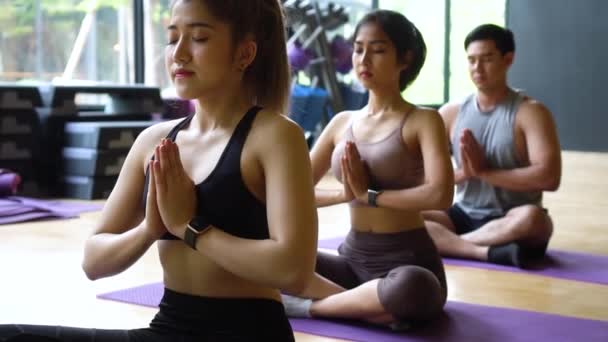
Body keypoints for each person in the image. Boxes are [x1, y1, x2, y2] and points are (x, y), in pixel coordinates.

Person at [0, 0, 317, 341]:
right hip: (168, 330)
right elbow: (94, 261)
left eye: (198, 37)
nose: (178, 53)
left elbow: (294, 271)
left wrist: (190, 228)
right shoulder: (154, 141)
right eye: (172, 37)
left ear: (244, 53)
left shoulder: (276, 136)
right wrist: (151, 228)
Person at [281, 10, 454, 330]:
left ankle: (312, 308)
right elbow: (291, 192)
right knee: (273, 261)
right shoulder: (341, 123)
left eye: (377, 50)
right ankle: (367, 307)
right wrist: (344, 195)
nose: (363, 59)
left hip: (407, 263)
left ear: (405, 58)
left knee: (412, 289)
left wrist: (370, 196)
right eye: (359, 49)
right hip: (351, 260)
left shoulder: (422, 120)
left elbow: (440, 195)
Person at [423, 24, 561, 268]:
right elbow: (425, 178)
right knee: (405, 218)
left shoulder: (531, 112)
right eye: (471, 60)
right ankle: (487, 253)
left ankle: (452, 245)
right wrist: (465, 173)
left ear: (508, 59)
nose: (477, 68)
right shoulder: (450, 113)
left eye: (486, 59)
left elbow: (549, 177)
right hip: (463, 214)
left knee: (535, 220)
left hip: (512, 217)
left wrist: (485, 173)